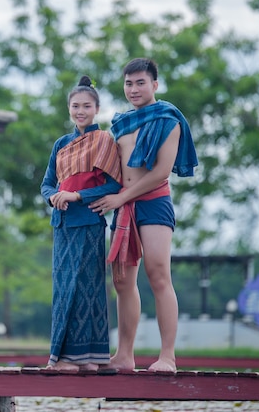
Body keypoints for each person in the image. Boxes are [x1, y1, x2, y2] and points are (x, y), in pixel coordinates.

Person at [89, 58, 198, 372]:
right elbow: (112, 170)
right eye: (128, 83)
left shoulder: (168, 118)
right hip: (123, 205)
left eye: (140, 82)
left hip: (152, 201)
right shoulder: (120, 124)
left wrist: (120, 197)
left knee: (158, 274)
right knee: (122, 282)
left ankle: (168, 357)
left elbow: (161, 172)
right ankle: (124, 356)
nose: (134, 89)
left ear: (155, 85)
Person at [40, 75, 122, 371]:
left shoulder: (104, 140)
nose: (80, 111)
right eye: (75, 106)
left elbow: (114, 185)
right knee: (64, 287)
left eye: (86, 106)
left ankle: (85, 358)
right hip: (62, 225)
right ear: (69, 109)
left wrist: (76, 195)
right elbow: (47, 183)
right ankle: (70, 358)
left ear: (97, 108)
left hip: (89, 222)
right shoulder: (61, 144)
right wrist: (54, 198)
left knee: (87, 288)